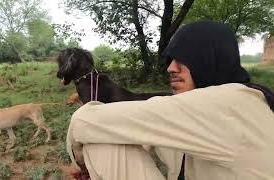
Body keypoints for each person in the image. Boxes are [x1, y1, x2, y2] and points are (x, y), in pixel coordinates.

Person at [64, 21, 274, 180]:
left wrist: (82, 163)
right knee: (116, 137)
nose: (171, 68)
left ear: (211, 58)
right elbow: (145, 135)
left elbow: (83, 121)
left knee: (99, 140)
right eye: (170, 59)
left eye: (185, 57)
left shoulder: (229, 105)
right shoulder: (241, 99)